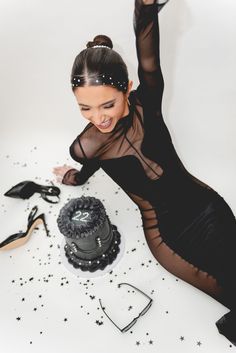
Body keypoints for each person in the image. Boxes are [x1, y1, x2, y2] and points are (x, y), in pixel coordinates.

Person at [53, 0, 236, 345]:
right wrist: (71, 177)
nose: (98, 117)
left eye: (107, 104)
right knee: (228, 290)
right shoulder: (85, 146)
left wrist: (145, 8)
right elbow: (87, 168)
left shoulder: (147, 102)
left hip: (205, 207)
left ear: (127, 88)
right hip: (166, 236)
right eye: (85, 108)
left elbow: (148, 52)